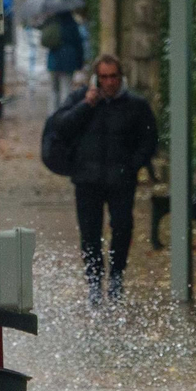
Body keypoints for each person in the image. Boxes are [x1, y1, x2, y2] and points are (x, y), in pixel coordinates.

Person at [51, 53, 157, 305]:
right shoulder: (81, 99)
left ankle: (117, 275)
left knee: (122, 227)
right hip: (87, 179)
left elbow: (149, 139)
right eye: (104, 77)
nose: (109, 82)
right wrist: (86, 105)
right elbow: (61, 127)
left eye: (113, 77)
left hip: (121, 180)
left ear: (121, 77)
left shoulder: (136, 105)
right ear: (97, 79)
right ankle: (94, 282)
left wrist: (132, 166)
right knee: (90, 233)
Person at [42, 10, 85, 112]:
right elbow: (78, 44)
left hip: (53, 61)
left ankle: (52, 114)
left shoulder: (51, 22)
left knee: (53, 90)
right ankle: (64, 113)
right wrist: (80, 62)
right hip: (68, 61)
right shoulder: (72, 25)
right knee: (66, 89)